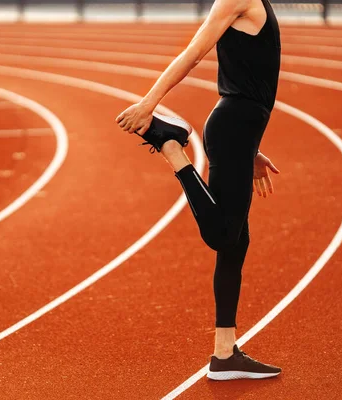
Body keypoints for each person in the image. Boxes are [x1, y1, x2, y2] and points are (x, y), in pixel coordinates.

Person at [115, 0, 283, 380]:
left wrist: (251, 149)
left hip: (240, 131)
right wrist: (148, 104)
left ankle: (224, 355)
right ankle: (171, 148)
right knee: (224, 236)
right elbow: (193, 54)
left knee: (236, 242)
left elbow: (250, 74)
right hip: (233, 127)